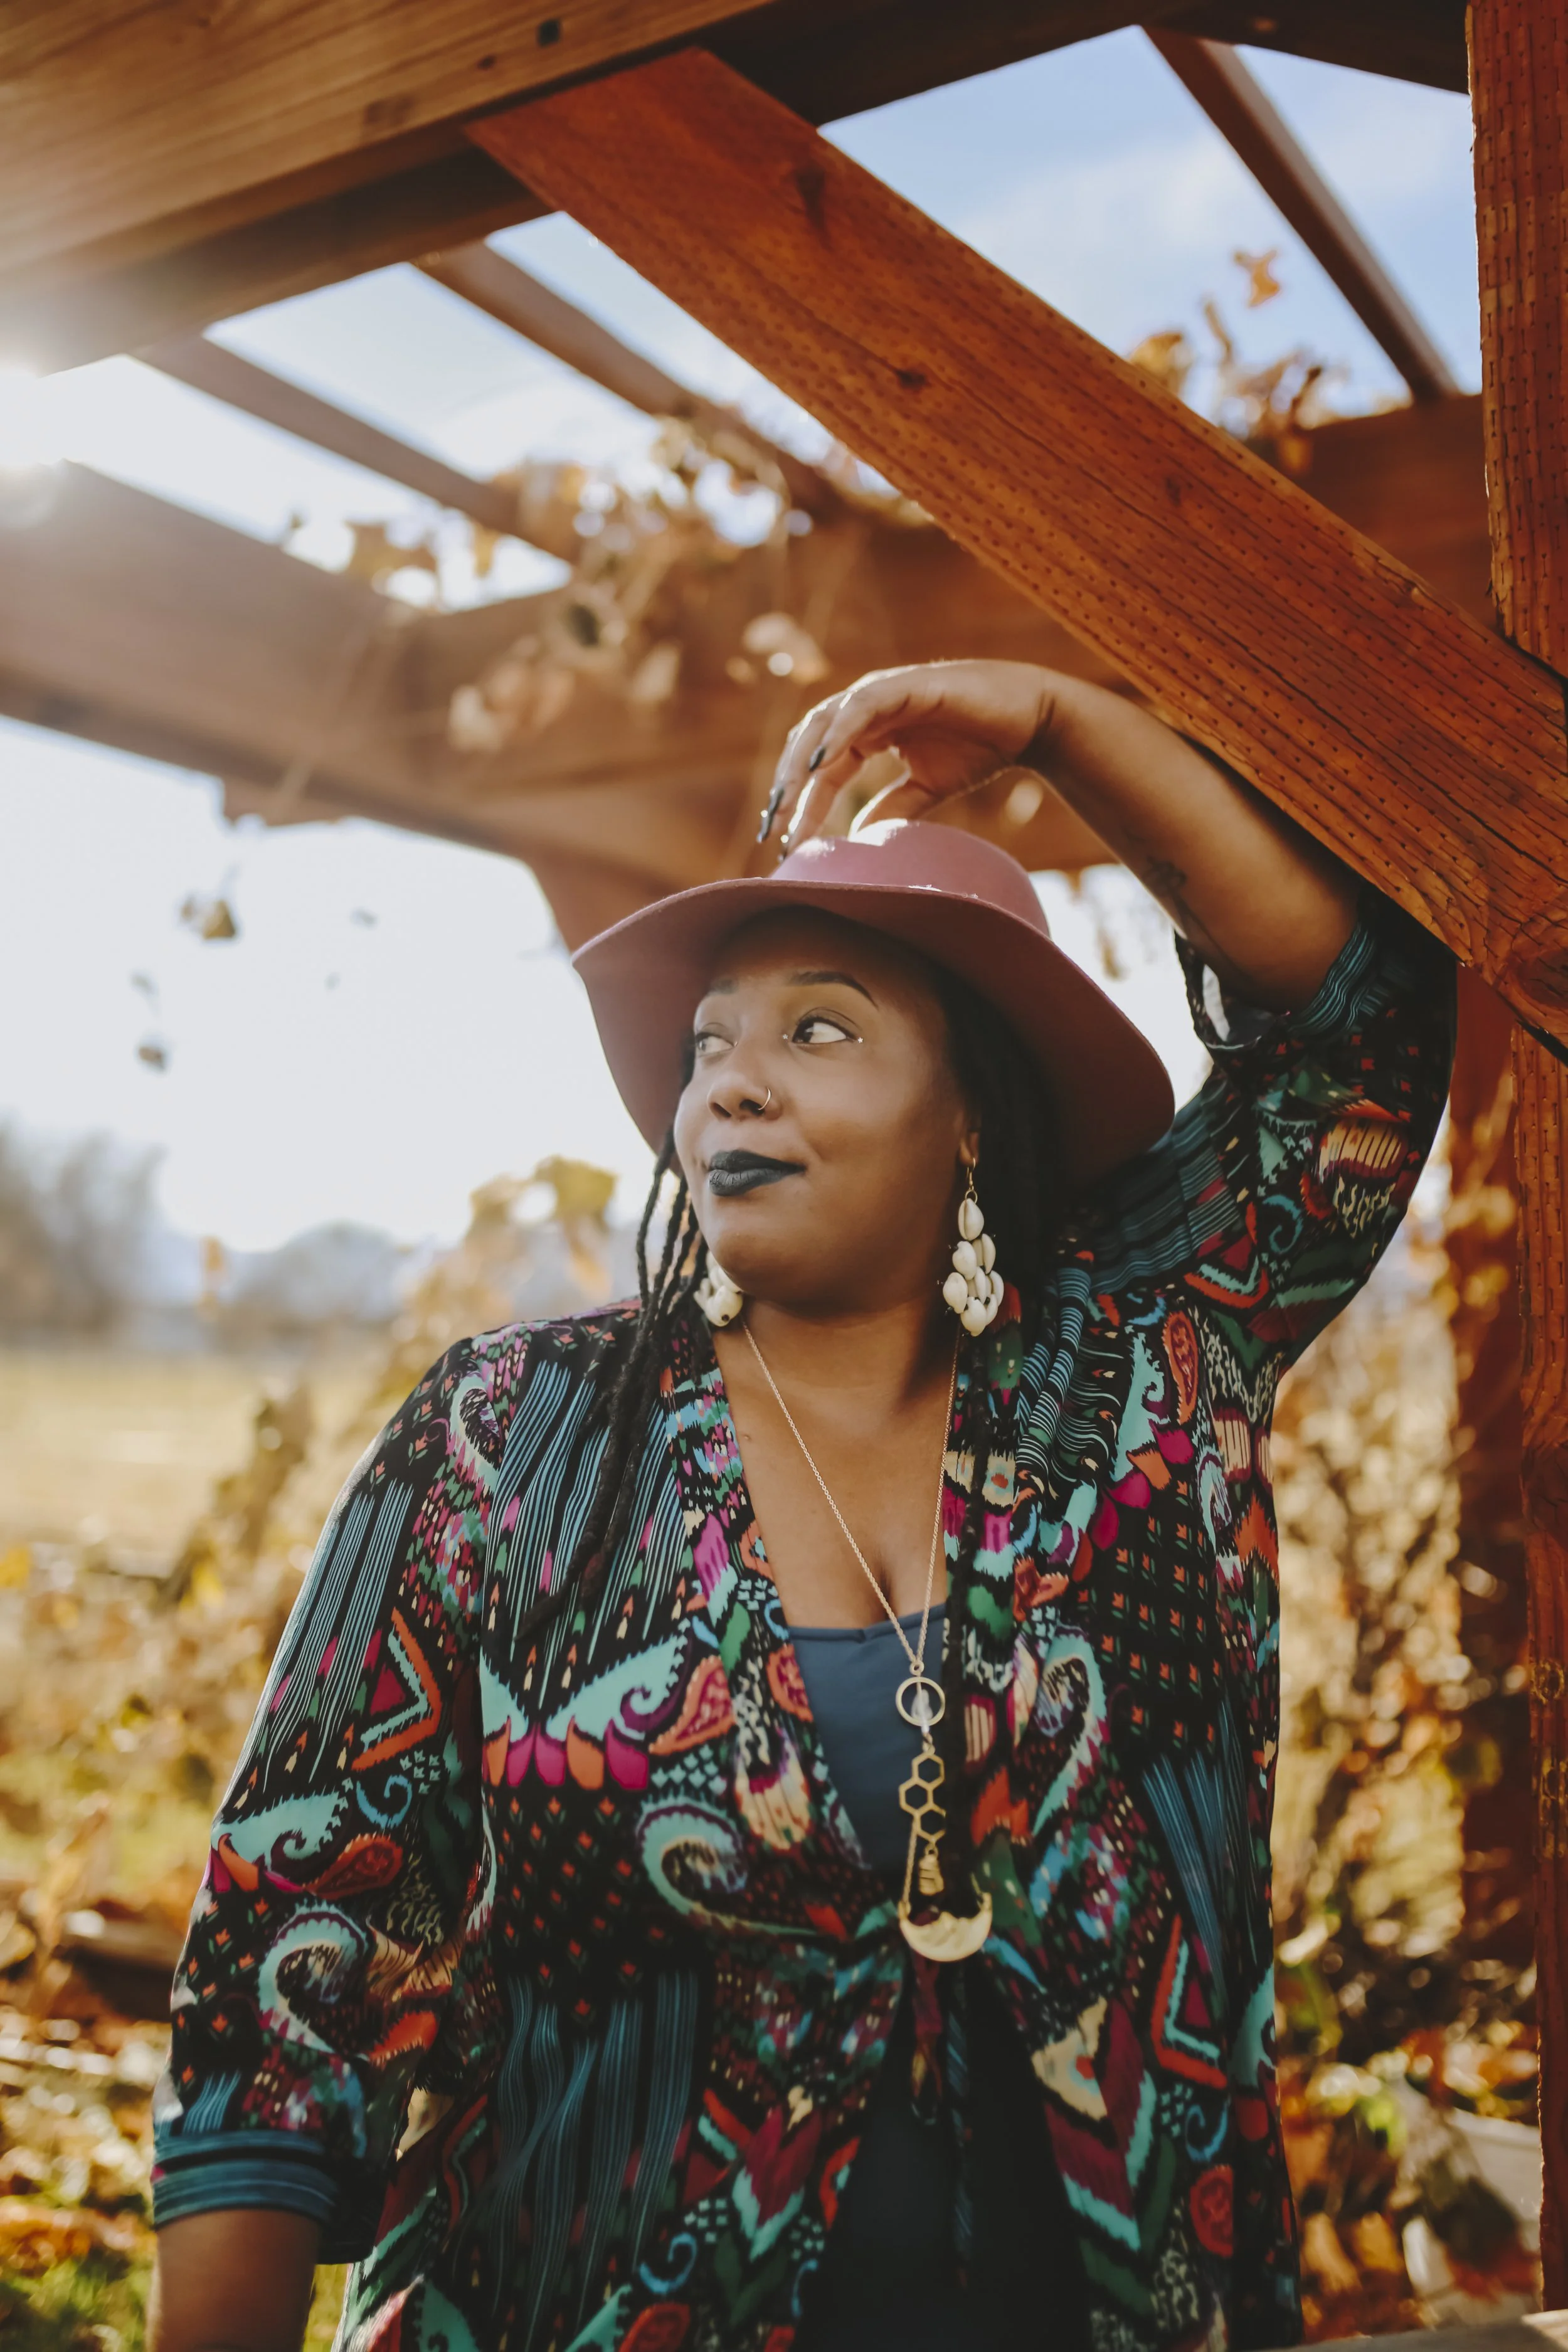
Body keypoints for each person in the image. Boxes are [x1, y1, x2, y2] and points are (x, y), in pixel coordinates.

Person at [150, 660, 1453, 2352]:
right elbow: (285, 1972)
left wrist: (1065, 727)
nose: (731, 1086)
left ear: (974, 1104)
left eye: (817, 1028)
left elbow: (1355, 1026)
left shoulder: (1144, 1362)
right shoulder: (509, 1436)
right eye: (709, 1046)